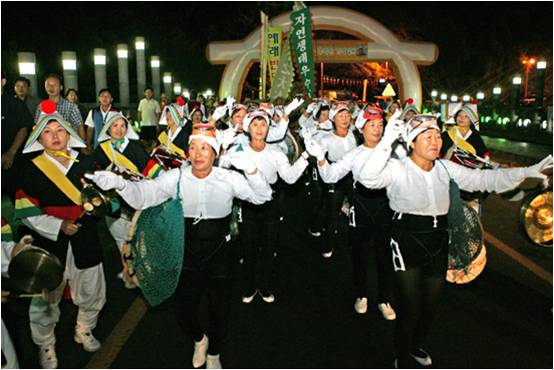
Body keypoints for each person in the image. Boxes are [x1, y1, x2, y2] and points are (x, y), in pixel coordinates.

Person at [356, 113, 552, 368]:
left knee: (430, 305)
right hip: (406, 242)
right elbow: (367, 178)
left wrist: (530, 171)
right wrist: (387, 141)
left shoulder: (446, 168)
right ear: (412, 143)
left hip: (438, 241)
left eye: (437, 135)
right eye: (427, 136)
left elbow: (486, 179)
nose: (435, 141)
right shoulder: (396, 168)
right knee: (411, 306)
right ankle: (401, 354)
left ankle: (416, 344)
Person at [85, 120, 272, 369]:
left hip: (221, 254)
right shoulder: (176, 177)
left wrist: (251, 171)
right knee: (183, 312)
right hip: (186, 253)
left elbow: (263, 196)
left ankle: (215, 353)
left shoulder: (228, 178)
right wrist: (120, 184)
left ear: (215, 153)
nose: (197, 154)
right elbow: (144, 194)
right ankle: (199, 339)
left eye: (204, 148)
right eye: (193, 148)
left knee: (220, 311)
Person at [15, 100, 106, 369]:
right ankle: (45, 344)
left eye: (60, 131)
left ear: (69, 133)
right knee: (45, 297)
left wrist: (98, 202)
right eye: (48, 132)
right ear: (39, 137)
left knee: (92, 288)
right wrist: (57, 225)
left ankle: (85, 328)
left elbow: (105, 199)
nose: (55, 137)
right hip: (49, 240)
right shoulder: (30, 169)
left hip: (85, 235)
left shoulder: (87, 162)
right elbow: (26, 211)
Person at [306, 105, 396, 319]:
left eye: (380, 124)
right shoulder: (355, 154)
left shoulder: (393, 151)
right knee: (360, 254)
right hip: (362, 206)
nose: (377, 129)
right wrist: (320, 158)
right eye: (371, 125)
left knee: (385, 255)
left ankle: (384, 299)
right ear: (362, 129)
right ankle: (362, 294)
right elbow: (330, 176)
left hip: (386, 208)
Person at [220, 102, 307, 304]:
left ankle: (265, 286)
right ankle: (249, 287)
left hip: (271, 203)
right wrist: (224, 148)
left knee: (268, 248)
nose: (259, 129)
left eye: (263, 125)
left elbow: (291, 178)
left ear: (268, 128)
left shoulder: (276, 153)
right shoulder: (239, 150)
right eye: (255, 124)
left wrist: (305, 157)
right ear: (248, 128)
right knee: (249, 248)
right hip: (248, 204)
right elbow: (221, 170)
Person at [309, 102, 358, 258]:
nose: (344, 119)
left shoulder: (353, 135)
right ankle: (328, 245)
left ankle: (353, 242)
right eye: (340, 116)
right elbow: (320, 160)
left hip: (352, 178)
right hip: (335, 179)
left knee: (356, 210)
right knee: (332, 213)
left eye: (347, 115)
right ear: (333, 119)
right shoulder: (326, 139)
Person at [2, 75, 34, 203]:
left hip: (11, 161)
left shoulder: (14, 103)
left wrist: (11, 152)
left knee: (18, 198)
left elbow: (24, 128)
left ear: (3, 82)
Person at [34, 75, 84, 140]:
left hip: (69, 144)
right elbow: (37, 127)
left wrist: (83, 144)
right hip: (48, 143)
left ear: (61, 87)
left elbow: (79, 126)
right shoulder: (41, 106)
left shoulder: (71, 106)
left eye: (54, 85)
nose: (51, 87)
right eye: (48, 85)